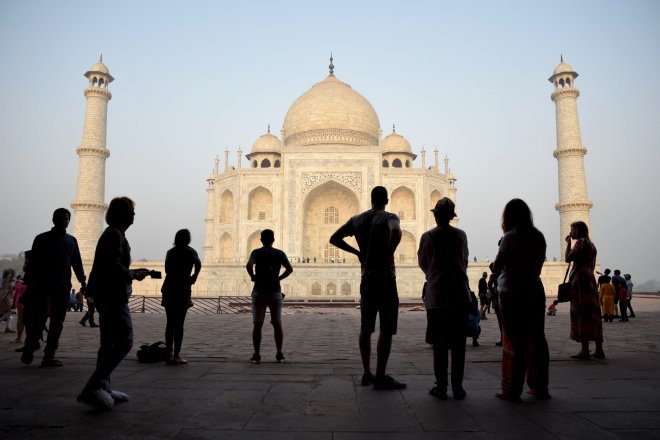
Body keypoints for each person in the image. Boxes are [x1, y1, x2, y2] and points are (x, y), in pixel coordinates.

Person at [77, 197, 150, 410]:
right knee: (125, 340)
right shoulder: (114, 235)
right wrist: (132, 274)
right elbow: (111, 267)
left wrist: (131, 273)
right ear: (120, 213)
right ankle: (94, 386)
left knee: (107, 344)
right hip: (112, 296)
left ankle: (103, 388)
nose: (133, 214)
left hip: (107, 294)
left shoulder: (115, 234)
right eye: (129, 211)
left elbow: (109, 266)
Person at [330, 186, 404, 390]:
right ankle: (380, 376)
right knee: (386, 328)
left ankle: (367, 372)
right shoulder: (390, 216)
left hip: (367, 278)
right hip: (386, 278)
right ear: (386, 200)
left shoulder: (357, 219)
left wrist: (357, 252)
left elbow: (334, 238)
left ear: (371, 200)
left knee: (366, 327)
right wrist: (390, 250)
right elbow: (396, 231)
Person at [490, 199, 550, 402]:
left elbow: (498, 266)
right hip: (534, 289)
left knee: (516, 341)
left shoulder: (511, 237)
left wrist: (494, 266)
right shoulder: (538, 236)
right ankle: (539, 387)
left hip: (513, 292)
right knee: (537, 339)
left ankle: (512, 389)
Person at [417, 197, 470, 400]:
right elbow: (464, 259)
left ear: (436, 215)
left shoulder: (428, 236)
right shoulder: (461, 235)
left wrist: (434, 275)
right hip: (459, 293)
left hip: (438, 294)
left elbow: (423, 263)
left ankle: (441, 386)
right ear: (451, 216)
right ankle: (458, 386)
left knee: (439, 344)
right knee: (458, 344)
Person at [21, 208, 86, 367]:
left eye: (66, 219)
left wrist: (83, 281)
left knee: (57, 322)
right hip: (44, 286)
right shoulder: (41, 239)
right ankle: (30, 346)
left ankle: (49, 355)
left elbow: (76, 263)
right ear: (54, 219)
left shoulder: (71, 241)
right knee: (39, 319)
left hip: (63, 287)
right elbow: (33, 264)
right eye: (61, 218)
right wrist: (30, 285)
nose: (64, 221)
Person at [246, 229, 292, 364]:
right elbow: (290, 269)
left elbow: (249, 265)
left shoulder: (256, 252)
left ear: (261, 240)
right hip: (274, 291)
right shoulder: (279, 253)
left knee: (257, 324)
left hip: (259, 291)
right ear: (273, 240)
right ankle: (279, 353)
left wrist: (253, 277)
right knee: (277, 323)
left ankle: (257, 354)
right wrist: (278, 278)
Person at [565, 220, 605, 359]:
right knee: (593, 314)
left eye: (573, 230)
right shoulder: (591, 245)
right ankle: (599, 350)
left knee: (582, 313)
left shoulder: (581, 242)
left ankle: (585, 350)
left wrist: (568, 243)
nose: (571, 232)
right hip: (590, 280)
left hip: (580, 282)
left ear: (579, 231)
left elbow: (568, 259)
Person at [161, 229, 202, 365]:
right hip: (182, 289)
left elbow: (167, 270)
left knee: (170, 323)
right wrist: (193, 277)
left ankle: (168, 354)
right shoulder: (190, 252)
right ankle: (177, 355)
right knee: (179, 324)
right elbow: (198, 264)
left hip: (169, 288)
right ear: (188, 239)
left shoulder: (170, 252)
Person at [488, 272, 503, 346]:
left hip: (498, 298)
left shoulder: (493, 275)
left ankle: (503, 339)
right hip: (507, 296)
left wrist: (493, 292)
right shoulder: (503, 273)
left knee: (501, 321)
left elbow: (489, 284)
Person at [0, 268, 16, 333]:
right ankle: (4, 325)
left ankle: (7, 328)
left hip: (6, 296)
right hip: (6, 297)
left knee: (8, 312)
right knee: (9, 311)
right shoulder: (8, 279)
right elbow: (10, 288)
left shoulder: (6, 279)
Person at [12, 274, 27, 343]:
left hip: (20, 304)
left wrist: (14, 302)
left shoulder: (19, 282)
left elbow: (15, 293)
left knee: (20, 320)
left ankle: (19, 338)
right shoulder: (35, 279)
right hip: (29, 304)